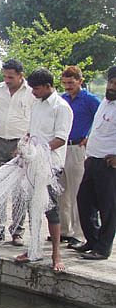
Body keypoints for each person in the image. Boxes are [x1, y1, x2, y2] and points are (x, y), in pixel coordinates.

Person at [15, 68, 73, 273]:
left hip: (50, 166)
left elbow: (60, 138)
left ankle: (56, 255)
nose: (33, 92)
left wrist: (39, 151)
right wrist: (24, 146)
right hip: (33, 165)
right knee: (34, 207)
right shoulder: (37, 105)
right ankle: (33, 249)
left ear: (48, 86)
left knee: (51, 209)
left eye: (36, 89)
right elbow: (32, 132)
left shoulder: (61, 107)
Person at [0, 59, 35, 245]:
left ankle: (17, 231)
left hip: (20, 143)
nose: (7, 80)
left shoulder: (30, 93)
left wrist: (23, 145)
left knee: (19, 189)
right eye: (4, 76)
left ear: (20, 75)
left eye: (11, 77)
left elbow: (33, 121)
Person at [72, 66, 116, 260]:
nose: (113, 87)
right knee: (84, 200)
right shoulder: (105, 102)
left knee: (109, 207)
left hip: (109, 164)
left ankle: (103, 248)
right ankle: (93, 240)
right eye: (111, 82)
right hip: (92, 160)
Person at [59, 65, 101, 247]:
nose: (68, 86)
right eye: (65, 83)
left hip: (78, 147)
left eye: (71, 83)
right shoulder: (62, 99)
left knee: (78, 192)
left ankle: (79, 233)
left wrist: (90, 137)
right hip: (62, 147)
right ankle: (64, 230)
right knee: (61, 191)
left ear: (80, 81)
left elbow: (102, 119)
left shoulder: (90, 99)